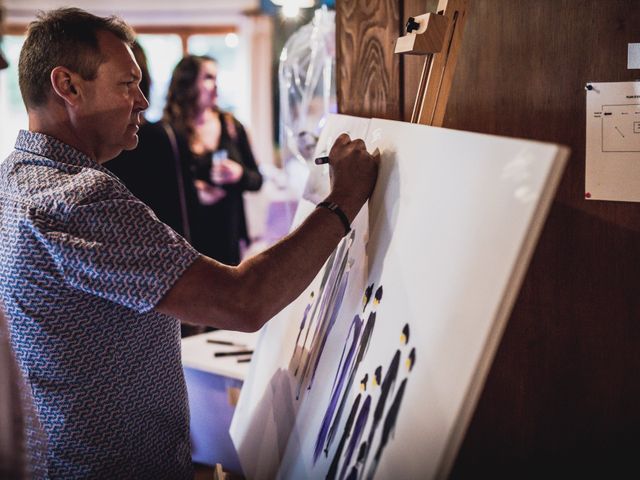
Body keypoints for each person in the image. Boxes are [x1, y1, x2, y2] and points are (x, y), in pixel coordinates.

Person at [0, 7, 378, 479]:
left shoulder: (12, 180)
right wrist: (343, 198)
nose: (142, 100)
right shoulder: (78, 197)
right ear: (68, 86)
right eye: (127, 84)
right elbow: (244, 301)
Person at [163, 55, 263, 266]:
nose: (215, 85)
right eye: (208, 77)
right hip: (187, 242)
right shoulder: (169, 132)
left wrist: (239, 174)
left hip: (230, 239)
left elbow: (257, 180)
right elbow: (157, 191)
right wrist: (194, 193)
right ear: (188, 83)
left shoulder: (231, 126)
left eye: (216, 78)